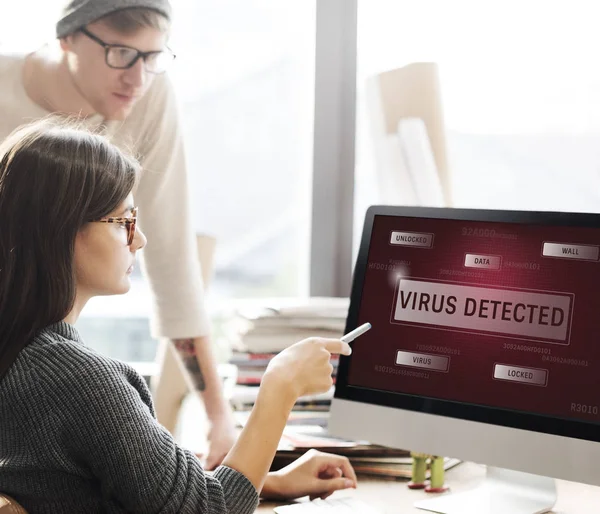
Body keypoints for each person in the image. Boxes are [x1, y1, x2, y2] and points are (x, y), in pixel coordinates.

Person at [0, 119, 356, 513]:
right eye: (124, 222)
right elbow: (208, 510)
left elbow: (91, 488)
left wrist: (265, 482)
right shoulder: (79, 381)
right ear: (62, 231)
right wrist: (280, 387)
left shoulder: (22, 357)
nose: (140, 239)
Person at [0, 0, 237, 468]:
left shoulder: (150, 94)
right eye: (121, 53)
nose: (138, 78)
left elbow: (170, 258)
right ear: (67, 37)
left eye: (153, 57)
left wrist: (218, 418)